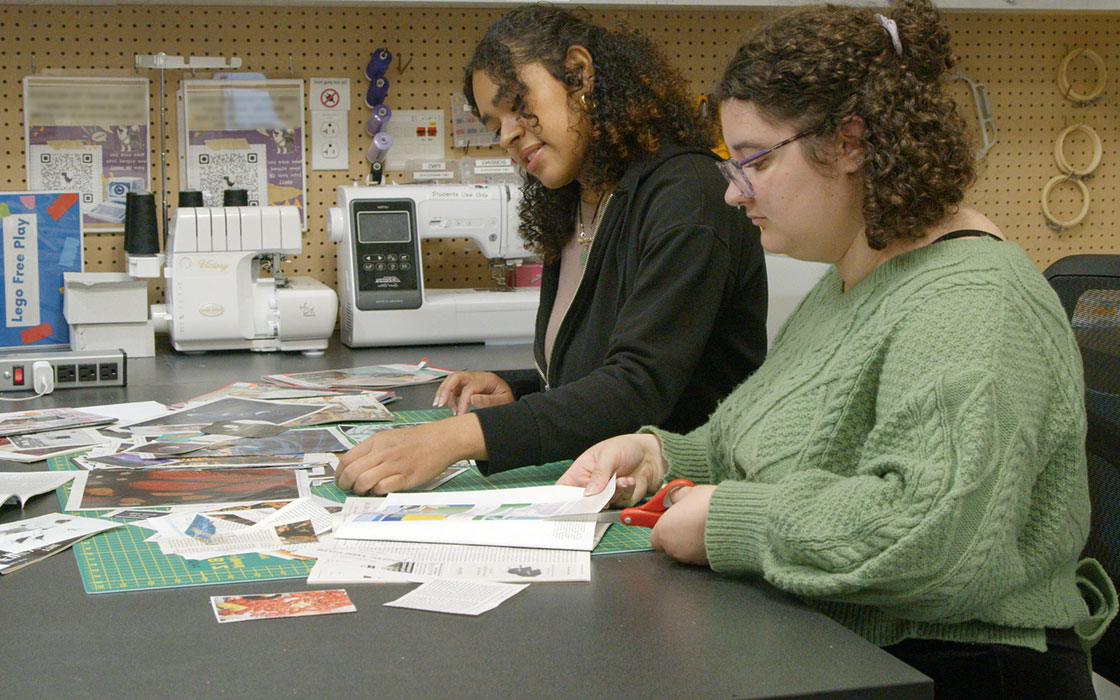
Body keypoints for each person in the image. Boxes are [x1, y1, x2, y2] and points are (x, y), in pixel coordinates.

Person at [558, 1, 1117, 698]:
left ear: (849, 142)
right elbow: (772, 437)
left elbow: (931, 535)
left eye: (753, 161)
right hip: (856, 647)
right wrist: (662, 455)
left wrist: (732, 521)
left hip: (960, 669)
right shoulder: (856, 278)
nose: (734, 194)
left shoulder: (975, 305)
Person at [335, 5, 767, 496]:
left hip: (686, 496)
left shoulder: (689, 196)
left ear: (579, 74)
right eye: (493, 124)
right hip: (608, 487)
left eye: (517, 104)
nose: (507, 135)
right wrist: (521, 391)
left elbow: (637, 389)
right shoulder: (578, 202)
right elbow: (598, 372)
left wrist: (452, 439)